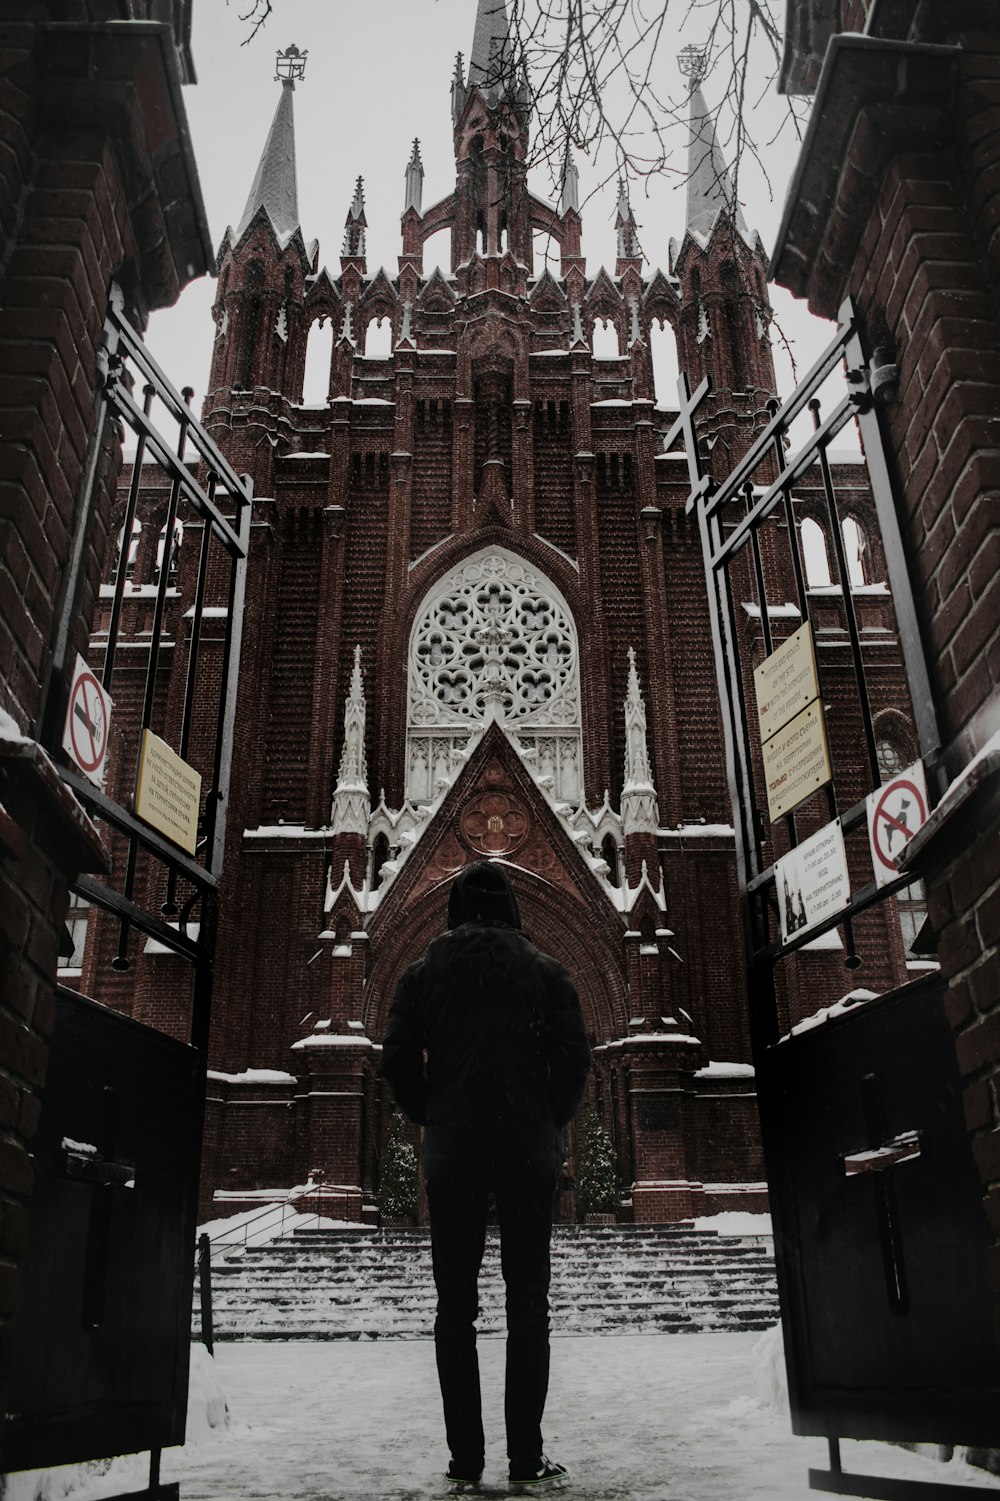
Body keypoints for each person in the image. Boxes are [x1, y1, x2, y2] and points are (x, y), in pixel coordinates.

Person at [381, 860, 591, 1493]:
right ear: (512, 912)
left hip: (455, 1157)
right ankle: (526, 1457)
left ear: (453, 914)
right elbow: (575, 1059)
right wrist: (545, 1117)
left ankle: (465, 1460)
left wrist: (431, 1112)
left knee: (456, 1311)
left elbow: (395, 1059)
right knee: (529, 1306)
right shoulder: (547, 972)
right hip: (527, 1157)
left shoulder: (422, 976)